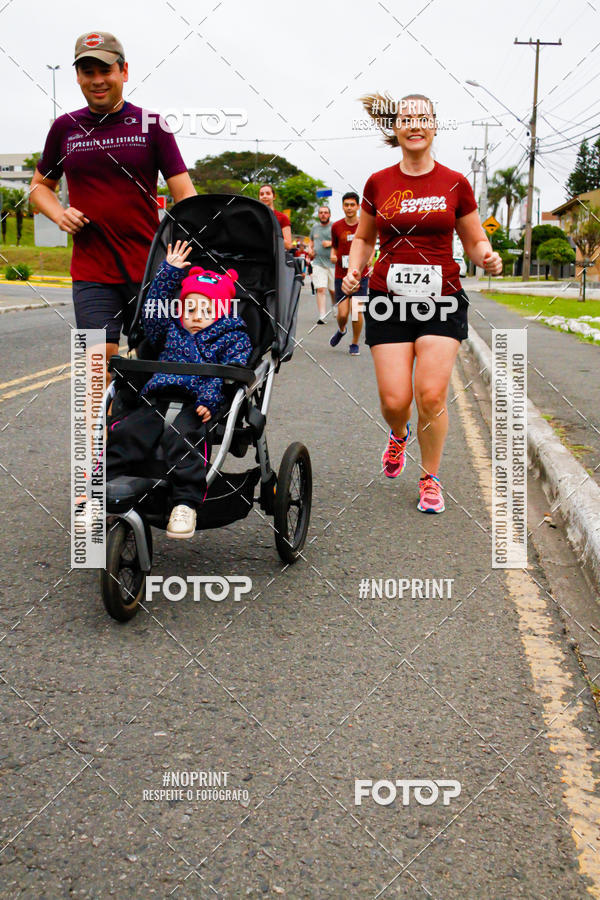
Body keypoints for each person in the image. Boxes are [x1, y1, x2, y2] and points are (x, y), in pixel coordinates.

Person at [343, 93, 502, 514]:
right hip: (387, 301)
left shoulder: (455, 182)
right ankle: (399, 434)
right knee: (395, 400)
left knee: (431, 395)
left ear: (434, 126)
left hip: (442, 298)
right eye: (407, 119)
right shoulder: (378, 182)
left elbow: (472, 238)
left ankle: (430, 477)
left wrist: (486, 255)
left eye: (423, 118)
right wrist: (354, 269)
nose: (415, 125)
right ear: (396, 129)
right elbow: (363, 236)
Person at [30, 31, 196, 383]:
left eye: (105, 70)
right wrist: (59, 214)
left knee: (151, 365)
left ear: (124, 71)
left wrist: (187, 250)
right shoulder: (65, 129)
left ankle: (135, 431)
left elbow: (185, 194)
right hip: (92, 272)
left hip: (149, 269)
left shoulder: (152, 125)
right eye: (88, 72)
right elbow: (38, 188)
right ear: (77, 77)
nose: (98, 80)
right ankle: (99, 438)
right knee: (95, 366)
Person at [105, 240, 252, 539]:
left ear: (223, 312)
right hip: (157, 398)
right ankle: (103, 490)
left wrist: (211, 399)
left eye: (207, 309)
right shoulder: (170, 329)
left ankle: (185, 504)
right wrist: (168, 273)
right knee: (126, 432)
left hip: (197, 404)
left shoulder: (232, 335)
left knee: (184, 440)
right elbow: (152, 314)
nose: (197, 315)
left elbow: (232, 372)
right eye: (191, 308)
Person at [329, 191, 368, 355]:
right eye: (346, 205)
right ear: (343, 207)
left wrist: (368, 259)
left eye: (352, 205)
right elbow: (335, 247)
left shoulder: (365, 225)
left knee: (356, 311)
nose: (349, 208)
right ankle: (342, 329)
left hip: (360, 275)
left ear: (358, 207)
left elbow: (370, 245)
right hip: (341, 275)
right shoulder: (336, 226)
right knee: (343, 314)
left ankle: (354, 343)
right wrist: (332, 255)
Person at [309, 206, 335, 323]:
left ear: (329, 214)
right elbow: (311, 241)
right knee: (320, 289)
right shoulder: (314, 227)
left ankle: (335, 306)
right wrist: (310, 249)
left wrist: (330, 243)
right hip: (318, 262)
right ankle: (322, 315)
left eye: (325, 213)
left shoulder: (334, 227)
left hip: (332, 263)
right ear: (318, 215)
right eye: (321, 213)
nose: (323, 214)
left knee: (333, 290)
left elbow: (341, 242)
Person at [258, 184, 292, 249]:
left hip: (274, 257)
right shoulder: (254, 215)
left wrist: (270, 235)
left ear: (274, 197)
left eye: (268, 193)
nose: (264, 196)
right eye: (261, 194)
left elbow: (288, 245)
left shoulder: (283, 218)